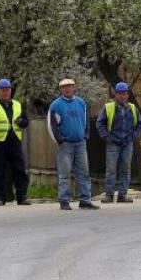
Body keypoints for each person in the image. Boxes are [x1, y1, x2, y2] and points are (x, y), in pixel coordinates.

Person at [49, 78, 98, 210]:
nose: (67, 89)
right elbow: (52, 124)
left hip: (80, 143)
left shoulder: (81, 103)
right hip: (65, 144)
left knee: (84, 172)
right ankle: (64, 200)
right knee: (64, 173)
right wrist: (59, 139)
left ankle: (85, 200)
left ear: (74, 87)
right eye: (64, 87)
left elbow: (86, 120)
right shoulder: (56, 105)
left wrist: (86, 135)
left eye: (70, 86)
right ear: (61, 89)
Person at [96, 81, 141, 203]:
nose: (122, 96)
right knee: (111, 170)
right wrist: (107, 137)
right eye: (120, 94)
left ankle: (122, 195)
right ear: (116, 95)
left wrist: (133, 136)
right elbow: (100, 123)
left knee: (125, 170)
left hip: (127, 143)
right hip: (113, 143)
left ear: (127, 95)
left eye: (124, 93)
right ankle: (109, 195)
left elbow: (140, 124)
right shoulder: (108, 107)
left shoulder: (133, 108)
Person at [0, 78, 31, 206]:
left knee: (19, 169)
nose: (5, 92)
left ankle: (22, 196)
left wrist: (21, 122)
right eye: (3, 90)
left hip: (15, 141)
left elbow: (26, 121)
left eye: (7, 90)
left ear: (11, 91)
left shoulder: (17, 105)